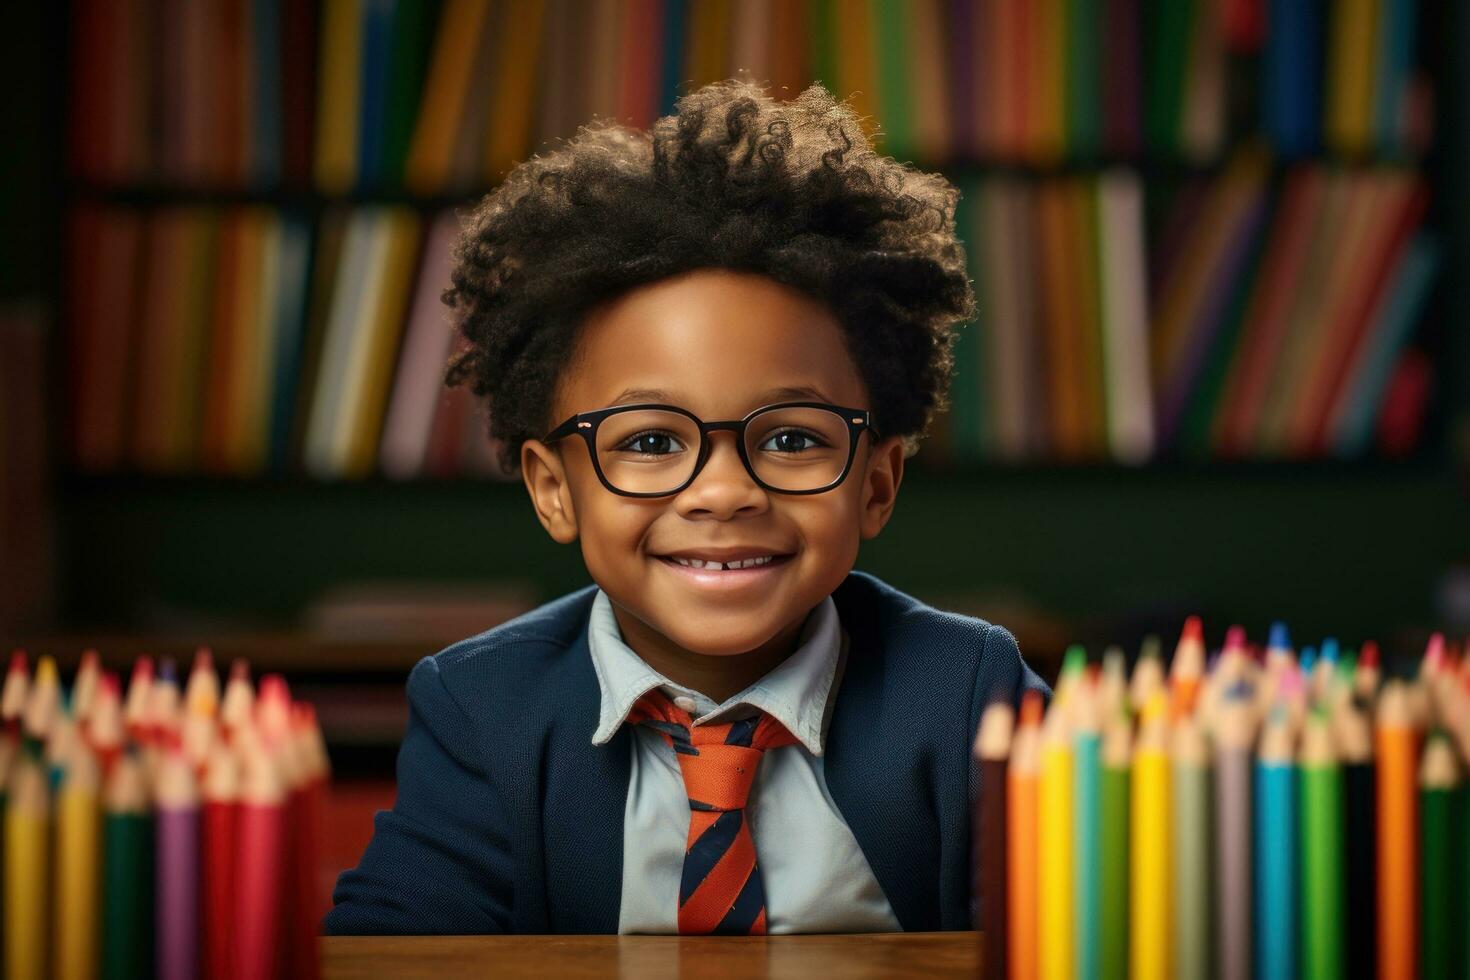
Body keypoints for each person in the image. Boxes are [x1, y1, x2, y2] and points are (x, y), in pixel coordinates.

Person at [324, 77, 1047, 937]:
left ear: (876, 484)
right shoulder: (482, 706)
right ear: (555, 489)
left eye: (790, 439)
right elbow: (396, 950)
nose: (723, 492)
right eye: (651, 442)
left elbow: (1065, 933)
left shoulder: (969, 692)